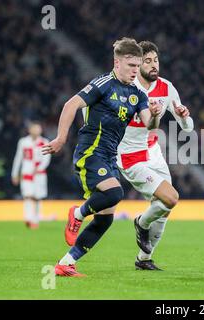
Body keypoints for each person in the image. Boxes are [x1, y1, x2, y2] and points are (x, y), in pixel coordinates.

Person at [42, 37, 162, 277]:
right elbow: (70, 105)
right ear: (117, 63)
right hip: (90, 153)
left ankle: (66, 263)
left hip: (109, 158)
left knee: (105, 219)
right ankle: (77, 213)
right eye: (131, 66)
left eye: (138, 67)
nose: (135, 71)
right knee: (115, 193)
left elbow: (150, 125)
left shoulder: (137, 94)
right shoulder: (102, 84)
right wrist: (61, 139)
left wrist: (157, 114)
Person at [117, 41, 194, 270]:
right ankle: (141, 222)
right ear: (138, 64)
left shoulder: (166, 88)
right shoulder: (127, 87)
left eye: (156, 60)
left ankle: (144, 259)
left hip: (153, 152)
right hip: (130, 153)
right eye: (147, 61)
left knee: (164, 207)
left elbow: (188, 127)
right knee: (170, 198)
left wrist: (183, 115)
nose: (153, 65)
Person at [11, 122, 51, 229]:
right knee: (27, 196)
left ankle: (36, 219)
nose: (37, 131)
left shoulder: (44, 142)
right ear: (30, 130)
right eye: (35, 129)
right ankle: (28, 218)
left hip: (39, 174)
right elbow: (18, 158)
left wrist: (39, 168)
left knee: (37, 197)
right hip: (27, 172)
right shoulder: (23, 142)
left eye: (38, 129)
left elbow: (46, 159)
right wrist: (14, 173)